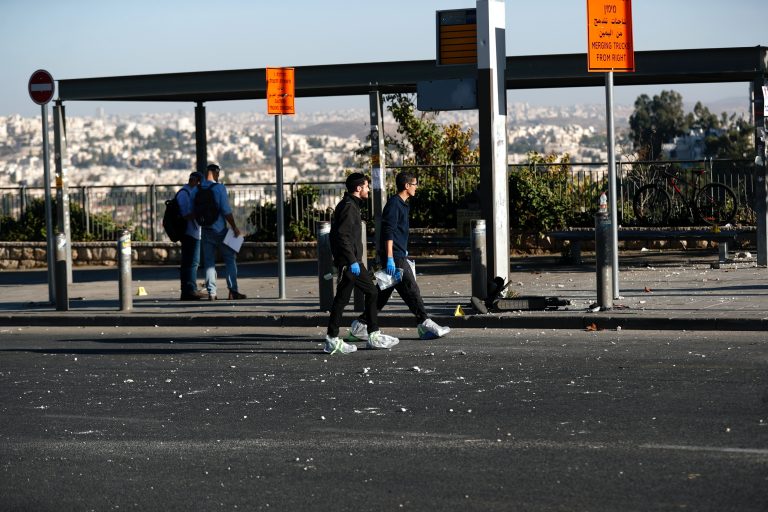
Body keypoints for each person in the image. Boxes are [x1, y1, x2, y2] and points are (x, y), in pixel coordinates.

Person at [345, 171, 450, 341]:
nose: (416, 187)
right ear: (407, 186)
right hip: (395, 257)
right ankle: (424, 323)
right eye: (415, 184)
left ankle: (360, 326)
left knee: (382, 295)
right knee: (412, 290)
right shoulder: (394, 204)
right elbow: (388, 232)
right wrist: (390, 258)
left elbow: (398, 233)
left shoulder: (403, 204)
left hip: (399, 254)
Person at [324, 172, 399, 354]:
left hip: (351, 261)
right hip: (352, 263)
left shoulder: (350, 205)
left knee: (342, 299)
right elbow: (341, 236)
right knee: (371, 292)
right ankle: (372, 334)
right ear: (358, 188)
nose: (368, 189)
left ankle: (333, 339)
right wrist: (351, 261)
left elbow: (340, 235)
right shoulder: (349, 207)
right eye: (366, 186)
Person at [200, 163, 246, 301]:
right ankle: (233, 291)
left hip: (205, 229)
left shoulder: (200, 188)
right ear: (216, 173)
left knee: (209, 262)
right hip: (220, 230)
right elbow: (226, 210)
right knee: (229, 259)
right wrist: (234, 227)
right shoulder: (219, 188)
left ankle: (212, 293)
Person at [177, 171, 206, 301]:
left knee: (192, 262)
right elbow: (185, 215)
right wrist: (198, 213)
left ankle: (190, 289)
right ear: (195, 181)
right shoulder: (185, 193)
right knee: (191, 262)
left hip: (193, 232)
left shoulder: (190, 192)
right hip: (189, 233)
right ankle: (189, 291)